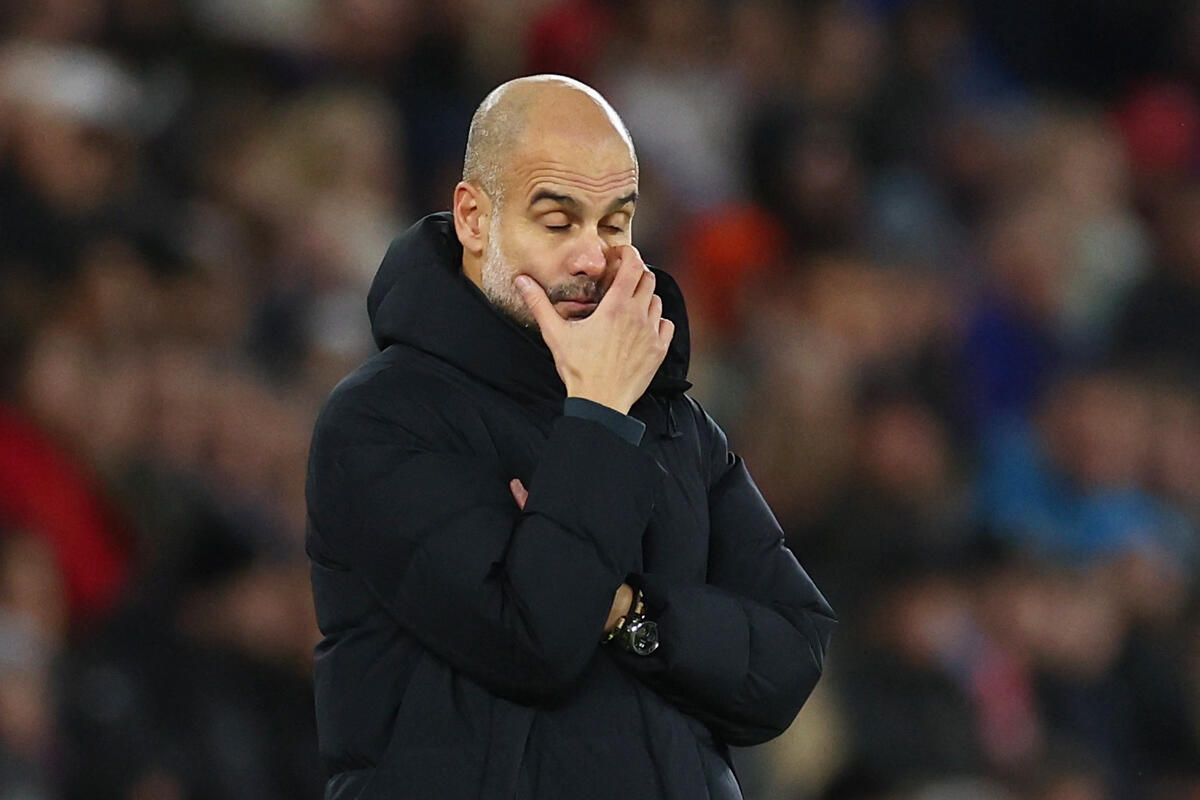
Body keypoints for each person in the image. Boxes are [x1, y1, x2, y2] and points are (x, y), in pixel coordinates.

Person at [305, 74, 836, 800]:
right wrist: (599, 412)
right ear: (474, 218)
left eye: (615, 225)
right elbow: (536, 642)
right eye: (558, 222)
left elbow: (791, 657)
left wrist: (625, 611)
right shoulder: (380, 419)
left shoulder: (672, 419)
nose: (593, 259)